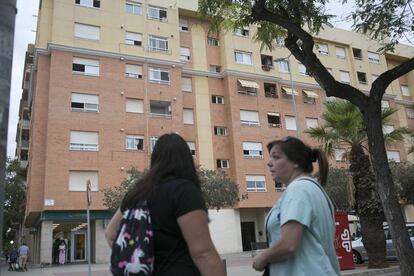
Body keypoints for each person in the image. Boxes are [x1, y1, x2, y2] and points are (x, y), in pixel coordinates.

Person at [105, 133, 225, 276]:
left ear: (155, 159)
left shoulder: (136, 193)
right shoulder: (184, 191)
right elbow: (202, 252)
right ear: (187, 159)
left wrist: (136, 258)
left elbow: (111, 234)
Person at [252, 136, 340, 275]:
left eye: (276, 157)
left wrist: (263, 257)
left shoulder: (298, 190)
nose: (269, 163)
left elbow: (288, 245)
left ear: (296, 162)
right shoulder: (313, 189)